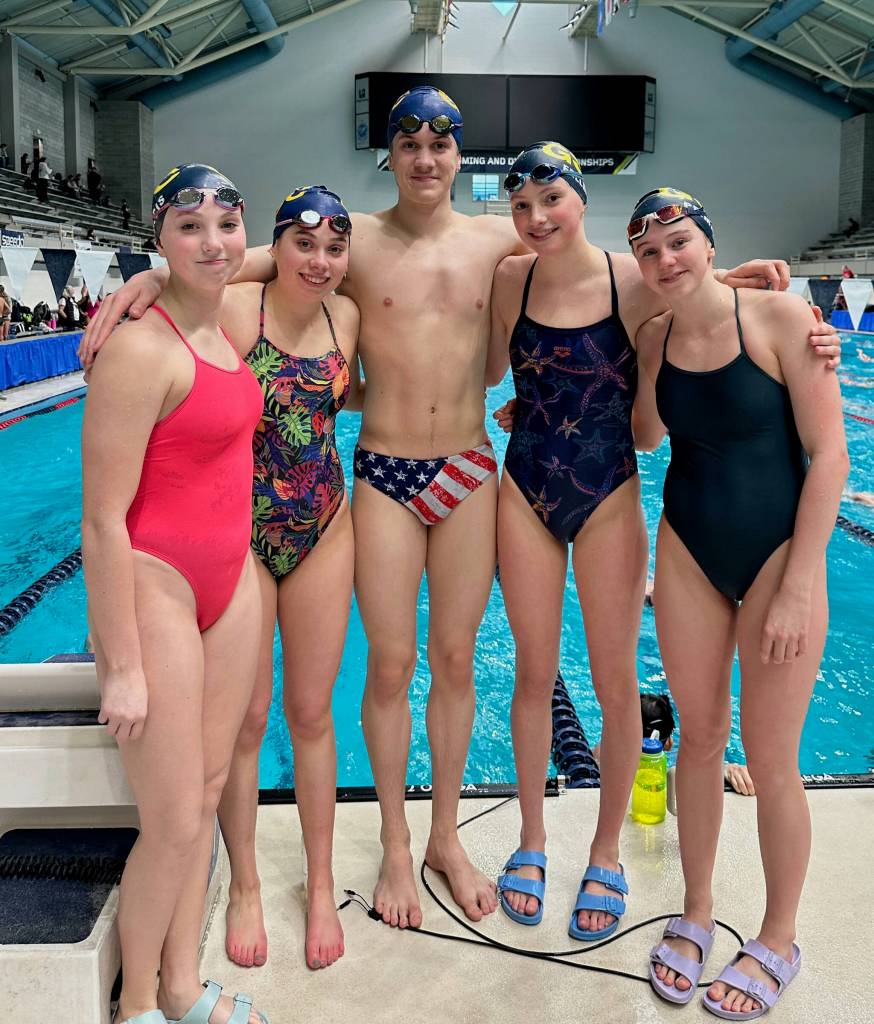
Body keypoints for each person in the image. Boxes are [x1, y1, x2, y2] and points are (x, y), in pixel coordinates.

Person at [78, 88, 808, 937]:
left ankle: (443, 839)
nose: (425, 158)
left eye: (442, 143)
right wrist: (146, 280)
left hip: (469, 467)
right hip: (384, 472)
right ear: (389, 153)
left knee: (456, 664)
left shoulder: (505, 240)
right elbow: (254, 260)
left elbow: (614, 263)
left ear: (462, 157)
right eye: (409, 142)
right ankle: (394, 842)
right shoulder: (350, 236)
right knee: (390, 669)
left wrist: (737, 278)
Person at [486, 148, 840, 941]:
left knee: (617, 681)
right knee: (537, 675)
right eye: (523, 204)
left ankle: (609, 854)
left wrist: (766, 289)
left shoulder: (633, 276)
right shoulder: (513, 276)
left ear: (581, 199)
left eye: (555, 196)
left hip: (611, 490)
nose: (539, 215)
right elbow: (505, 373)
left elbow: (700, 299)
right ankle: (534, 842)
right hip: (529, 483)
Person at [630, 187, 847, 1018]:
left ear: (707, 242)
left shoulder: (785, 322)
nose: (665, 261)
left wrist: (800, 582)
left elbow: (830, 456)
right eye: (650, 254)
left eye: (679, 243)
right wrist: (642, 358)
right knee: (699, 740)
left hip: (779, 555)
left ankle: (779, 937)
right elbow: (650, 437)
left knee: (772, 755)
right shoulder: (657, 333)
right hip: (686, 547)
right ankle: (694, 911)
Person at [81, 162, 270, 1024]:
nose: (212, 240)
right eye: (186, 226)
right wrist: (121, 664)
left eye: (225, 223)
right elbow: (102, 523)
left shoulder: (227, 318)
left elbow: (298, 259)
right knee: (172, 821)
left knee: (207, 791)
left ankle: (184, 988)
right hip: (156, 583)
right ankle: (138, 1004)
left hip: (231, 582)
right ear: (157, 237)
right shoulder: (139, 348)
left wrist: (162, 272)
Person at [215, 185, 360, 972]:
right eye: (303, 245)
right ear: (277, 246)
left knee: (310, 711)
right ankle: (243, 882)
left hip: (327, 528)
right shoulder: (241, 311)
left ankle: (321, 881)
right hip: (241, 532)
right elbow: (186, 278)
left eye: (336, 248)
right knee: (247, 716)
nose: (320, 260)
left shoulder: (350, 318)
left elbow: (347, 403)